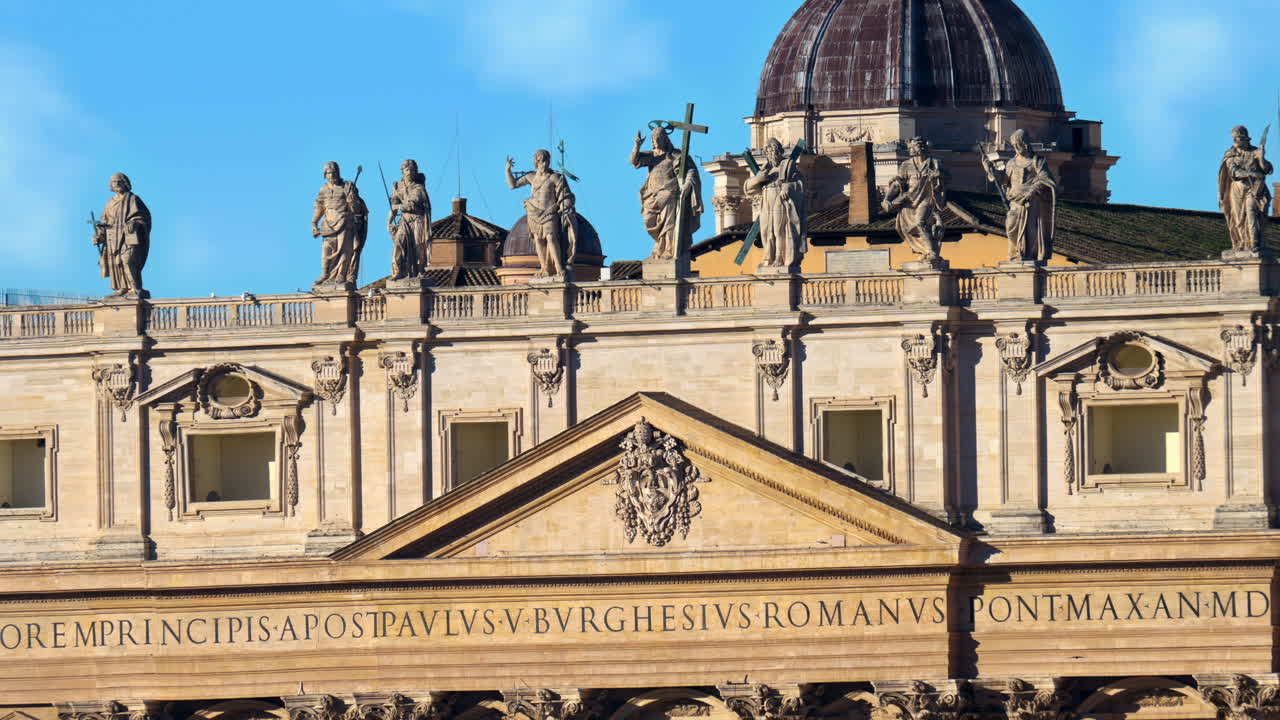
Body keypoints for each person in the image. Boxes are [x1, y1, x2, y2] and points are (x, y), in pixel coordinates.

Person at [631, 126, 703, 260]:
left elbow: (691, 170)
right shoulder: (652, 156)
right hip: (651, 195)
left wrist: (688, 183)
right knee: (648, 221)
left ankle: (668, 250)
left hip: (669, 193)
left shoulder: (676, 155)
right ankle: (659, 245)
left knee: (669, 224)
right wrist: (637, 145)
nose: (656, 142)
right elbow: (634, 161)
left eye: (659, 138)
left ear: (665, 139)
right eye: (654, 139)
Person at [986, 129, 1057, 263]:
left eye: (1018, 144)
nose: (1016, 148)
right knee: (1011, 226)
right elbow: (1003, 179)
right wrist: (991, 170)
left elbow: (1046, 180)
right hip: (1015, 201)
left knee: (1030, 229)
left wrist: (1033, 190)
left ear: (1025, 144)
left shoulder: (1037, 161)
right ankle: (1016, 253)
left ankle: (1026, 255)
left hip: (1031, 200)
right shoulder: (1011, 163)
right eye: (1014, 145)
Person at [506, 149, 575, 279]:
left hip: (549, 212)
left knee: (551, 237)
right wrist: (508, 170)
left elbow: (566, 195)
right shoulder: (531, 176)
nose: (544, 164)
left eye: (546, 161)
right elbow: (512, 185)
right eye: (541, 161)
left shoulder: (555, 177)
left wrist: (565, 204)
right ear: (536, 163)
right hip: (533, 212)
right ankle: (544, 268)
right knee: (538, 239)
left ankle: (559, 267)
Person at [744, 138, 807, 271]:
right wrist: (758, 179)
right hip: (766, 200)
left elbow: (800, 184)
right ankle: (768, 257)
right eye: (769, 151)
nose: (772, 154)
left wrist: (788, 187)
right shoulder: (765, 169)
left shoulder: (788, 167)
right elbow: (748, 188)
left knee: (780, 229)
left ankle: (779, 257)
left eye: (775, 151)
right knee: (767, 230)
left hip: (780, 200)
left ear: (780, 152)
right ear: (766, 154)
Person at [882, 137, 946, 266]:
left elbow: (947, 176)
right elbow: (897, 184)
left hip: (926, 198)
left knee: (920, 222)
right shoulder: (906, 165)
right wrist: (887, 199)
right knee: (906, 228)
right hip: (909, 200)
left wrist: (938, 174)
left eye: (915, 146)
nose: (912, 149)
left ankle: (932, 252)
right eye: (911, 147)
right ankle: (923, 252)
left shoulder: (934, 162)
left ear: (922, 147)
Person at [93, 173, 151, 297]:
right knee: (115, 263)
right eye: (114, 182)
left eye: (119, 181)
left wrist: (135, 223)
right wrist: (99, 236)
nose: (117, 183)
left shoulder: (133, 199)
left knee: (128, 260)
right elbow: (105, 223)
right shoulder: (109, 203)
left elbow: (144, 217)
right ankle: (122, 288)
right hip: (112, 237)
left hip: (127, 236)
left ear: (125, 183)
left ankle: (135, 288)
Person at [1219, 125, 1274, 255]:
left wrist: (1261, 158)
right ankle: (1241, 243)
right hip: (1237, 188)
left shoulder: (1255, 152)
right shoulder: (1231, 154)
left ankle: (1254, 243)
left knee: (1252, 214)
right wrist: (1250, 174)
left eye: (1237, 138)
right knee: (1238, 218)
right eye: (1234, 139)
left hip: (1255, 189)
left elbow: (1267, 169)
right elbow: (1233, 171)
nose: (1235, 141)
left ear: (1245, 139)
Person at [311, 161, 368, 285]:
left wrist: (351, 199)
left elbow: (357, 210)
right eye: (329, 173)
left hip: (344, 222)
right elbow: (320, 207)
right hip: (328, 224)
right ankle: (325, 274)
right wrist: (314, 223)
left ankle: (341, 274)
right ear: (325, 175)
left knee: (345, 250)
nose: (332, 176)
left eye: (334, 173)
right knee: (326, 249)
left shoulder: (347, 186)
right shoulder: (324, 189)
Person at [388, 159, 431, 279]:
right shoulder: (399, 186)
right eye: (407, 170)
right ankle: (397, 271)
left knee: (418, 247)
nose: (410, 172)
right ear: (402, 171)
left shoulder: (419, 188)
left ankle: (420, 270)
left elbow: (411, 205)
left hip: (417, 220)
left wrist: (397, 206)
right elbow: (394, 203)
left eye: (412, 170)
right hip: (404, 221)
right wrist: (389, 221)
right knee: (398, 243)